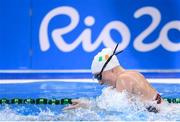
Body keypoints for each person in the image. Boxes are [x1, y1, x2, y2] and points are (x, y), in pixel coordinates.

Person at [64, 45, 163, 113]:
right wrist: (90, 104)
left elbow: (123, 113)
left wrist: (89, 107)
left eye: (99, 76)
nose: (100, 82)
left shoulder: (124, 79)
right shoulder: (132, 74)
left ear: (110, 69)